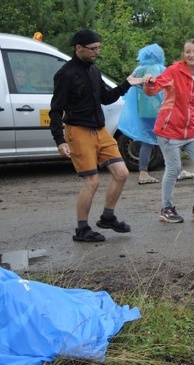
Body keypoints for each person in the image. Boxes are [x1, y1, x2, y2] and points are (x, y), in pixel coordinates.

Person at [50, 29, 148, 242]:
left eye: (98, 48)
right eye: (93, 49)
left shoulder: (93, 70)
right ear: (79, 48)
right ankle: (82, 229)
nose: (97, 52)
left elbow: (106, 98)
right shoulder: (65, 74)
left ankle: (107, 217)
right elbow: (55, 110)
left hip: (100, 130)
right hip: (78, 131)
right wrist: (59, 140)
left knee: (121, 173)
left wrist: (126, 85)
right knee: (92, 182)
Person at [145, 39, 194, 223]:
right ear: (183, 54)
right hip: (168, 129)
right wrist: (149, 83)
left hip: (191, 131)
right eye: (188, 52)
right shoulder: (173, 71)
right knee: (174, 168)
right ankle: (166, 208)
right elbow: (154, 90)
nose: (191, 55)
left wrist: (193, 121)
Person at [117, 43, 166, 185]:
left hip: (143, 110)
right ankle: (177, 169)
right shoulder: (160, 69)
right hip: (159, 110)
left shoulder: (139, 69)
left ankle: (143, 173)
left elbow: (130, 92)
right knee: (169, 140)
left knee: (147, 141)